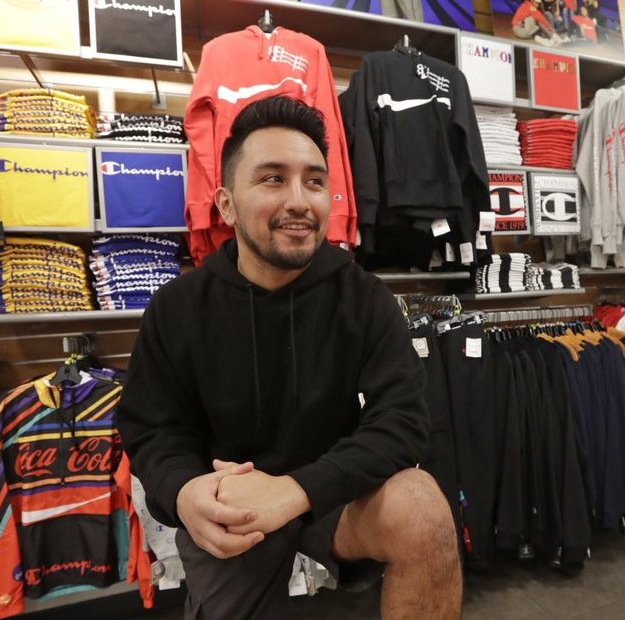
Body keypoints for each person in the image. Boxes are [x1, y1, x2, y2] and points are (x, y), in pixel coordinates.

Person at [117, 96, 462, 619]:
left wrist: (298, 489)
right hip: (231, 505)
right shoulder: (178, 307)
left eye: (315, 181)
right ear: (227, 204)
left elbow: (404, 421)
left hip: (329, 494)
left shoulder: (365, 297)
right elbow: (151, 429)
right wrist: (185, 492)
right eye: (273, 179)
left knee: (422, 506)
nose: (300, 200)